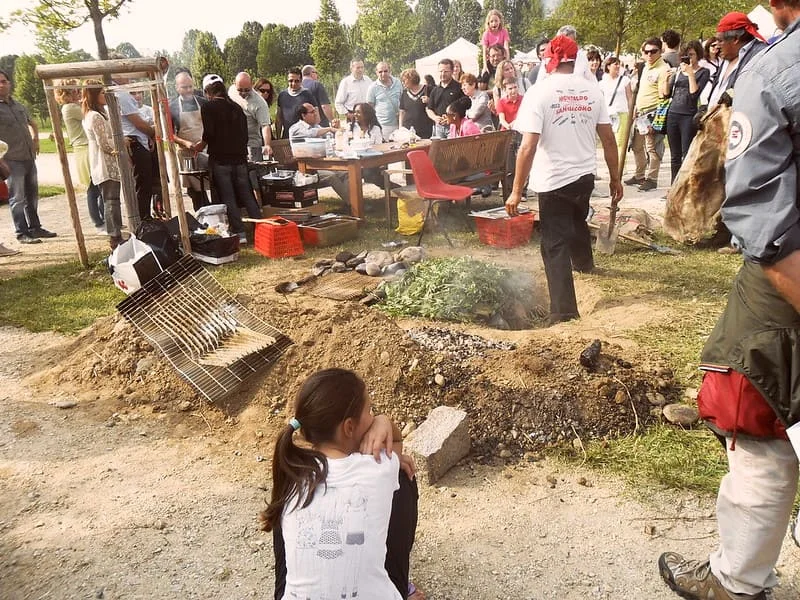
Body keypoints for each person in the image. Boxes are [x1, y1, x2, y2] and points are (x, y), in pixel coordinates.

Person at [658, 2, 800, 600]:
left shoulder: (775, 73)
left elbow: (769, 229)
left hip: (785, 291)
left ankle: (736, 579)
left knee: (755, 420)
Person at [261, 368, 422, 600]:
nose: (373, 415)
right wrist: (383, 421)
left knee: (287, 509)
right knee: (403, 477)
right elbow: (395, 442)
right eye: (370, 410)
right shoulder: (377, 469)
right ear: (348, 427)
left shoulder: (292, 472)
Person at [505, 34, 622, 325]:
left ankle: (563, 311)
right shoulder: (592, 91)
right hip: (584, 175)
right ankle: (584, 264)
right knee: (577, 221)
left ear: (550, 59)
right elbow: (608, 139)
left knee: (554, 243)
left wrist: (515, 191)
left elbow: (528, 146)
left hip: (554, 178)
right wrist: (616, 179)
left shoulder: (539, 93)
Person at [195, 74, 262, 245]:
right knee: (247, 195)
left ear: (208, 93)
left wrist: (199, 146)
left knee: (229, 197)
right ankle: (261, 229)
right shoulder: (236, 107)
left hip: (221, 160)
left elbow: (209, 133)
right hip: (240, 159)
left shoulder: (208, 107)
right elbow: (244, 134)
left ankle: (240, 233)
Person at [0, 69, 56, 244]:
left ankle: (35, 227)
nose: (2, 85)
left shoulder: (18, 105)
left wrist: (36, 138)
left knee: (32, 195)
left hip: (28, 156)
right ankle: (21, 232)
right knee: (17, 197)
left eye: (4, 81)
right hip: (11, 159)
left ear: (9, 83)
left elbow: (32, 122)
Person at [56, 80, 104, 233]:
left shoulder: (73, 106)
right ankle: (97, 221)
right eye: (74, 89)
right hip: (83, 148)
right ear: (66, 92)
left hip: (87, 146)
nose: (77, 91)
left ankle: (102, 217)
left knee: (99, 185)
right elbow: (87, 113)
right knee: (93, 186)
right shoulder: (70, 108)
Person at [81, 80, 123, 249]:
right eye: (101, 93)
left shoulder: (99, 113)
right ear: (93, 95)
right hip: (104, 163)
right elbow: (104, 143)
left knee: (112, 199)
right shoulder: (95, 116)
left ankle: (116, 232)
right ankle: (114, 236)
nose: (105, 96)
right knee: (111, 200)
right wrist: (121, 143)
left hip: (106, 162)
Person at [625, 37, 670, 192]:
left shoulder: (663, 69)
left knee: (653, 147)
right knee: (636, 145)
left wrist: (657, 120)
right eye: (646, 51)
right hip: (640, 112)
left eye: (653, 51)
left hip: (654, 112)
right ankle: (639, 175)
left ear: (660, 51)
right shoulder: (645, 67)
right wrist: (636, 107)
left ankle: (652, 178)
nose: (649, 54)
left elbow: (664, 96)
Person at [664, 40, 710, 182]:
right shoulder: (678, 71)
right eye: (685, 55)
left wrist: (690, 74)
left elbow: (693, 95)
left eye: (691, 55)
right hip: (673, 113)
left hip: (688, 115)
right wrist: (666, 80)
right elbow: (666, 94)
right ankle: (673, 186)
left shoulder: (703, 72)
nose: (688, 59)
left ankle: (684, 185)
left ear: (698, 55)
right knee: (674, 155)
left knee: (687, 154)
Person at [114, 72, 158, 221]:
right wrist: (153, 133)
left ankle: (144, 217)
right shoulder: (122, 94)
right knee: (143, 184)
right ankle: (143, 219)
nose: (128, 77)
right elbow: (138, 123)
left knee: (144, 183)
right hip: (135, 142)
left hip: (137, 140)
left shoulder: (118, 93)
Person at [288, 103, 350, 207]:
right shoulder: (295, 129)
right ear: (303, 115)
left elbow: (329, 136)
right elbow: (311, 133)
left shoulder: (316, 126)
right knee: (331, 176)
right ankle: (353, 204)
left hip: (323, 164)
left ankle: (352, 201)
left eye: (315, 111)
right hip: (306, 169)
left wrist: (334, 128)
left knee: (346, 172)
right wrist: (329, 129)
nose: (315, 114)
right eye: (312, 112)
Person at [706, 12, 769, 110]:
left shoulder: (761, 55)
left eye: (720, 41)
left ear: (735, 39)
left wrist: (734, 93)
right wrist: (706, 107)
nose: (717, 46)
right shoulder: (728, 56)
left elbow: (762, 92)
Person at [169, 71, 210, 210]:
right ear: (177, 88)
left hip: (206, 149)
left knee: (213, 183)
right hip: (187, 152)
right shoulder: (172, 107)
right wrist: (186, 143)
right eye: (184, 87)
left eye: (190, 87)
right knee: (194, 189)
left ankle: (215, 212)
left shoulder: (203, 103)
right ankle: (201, 214)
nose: (188, 90)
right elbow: (169, 134)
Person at [228, 71, 272, 160]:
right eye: (240, 90)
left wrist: (267, 144)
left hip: (251, 146)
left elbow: (265, 126)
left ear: (252, 85)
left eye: (247, 90)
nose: (243, 93)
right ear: (234, 84)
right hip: (232, 144)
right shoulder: (231, 90)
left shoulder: (260, 103)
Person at [599, 56, 633, 152]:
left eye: (619, 64)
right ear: (608, 66)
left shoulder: (625, 80)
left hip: (621, 113)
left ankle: (620, 166)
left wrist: (631, 112)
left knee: (620, 142)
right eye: (615, 64)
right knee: (609, 142)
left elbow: (629, 98)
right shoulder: (601, 83)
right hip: (607, 115)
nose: (618, 66)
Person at [426, 59, 465, 139]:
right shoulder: (435, 90)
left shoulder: (459, 88)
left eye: (446, 71)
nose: (443, 74)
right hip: (439, 128)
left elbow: (465, 108)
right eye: (440, 71)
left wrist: (451, 118)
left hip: (454, 127)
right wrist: (435, 117)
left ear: (451, 71)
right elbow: (429, 109)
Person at [276, 68, 315, 139]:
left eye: (296, 81)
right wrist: (278, 138)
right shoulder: (282, 95)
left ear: (301, 81)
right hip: (287, 137)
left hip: (304, 137)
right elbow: (279, 118)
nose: (293, 83)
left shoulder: (307, 94)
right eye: (291, 81)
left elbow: (315, 116)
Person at [367, 62, 402, 140]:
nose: (383, 74)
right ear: (376, 73)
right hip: (383, 126)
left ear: (390, 71)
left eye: (385, 71)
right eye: (380, 72)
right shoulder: (372, 87)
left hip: (399, 124)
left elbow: (402, 100)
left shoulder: (398, 83)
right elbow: (370, 108)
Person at [398, 68, 432, 139]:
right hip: (408, 131)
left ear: (411, 79)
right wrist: (400, 127)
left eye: (404, 80)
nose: (403, 83)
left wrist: (429, 101)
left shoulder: (428, 89)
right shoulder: (404, 93)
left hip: (425, 130)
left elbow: (435, 105)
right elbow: (402, 111)